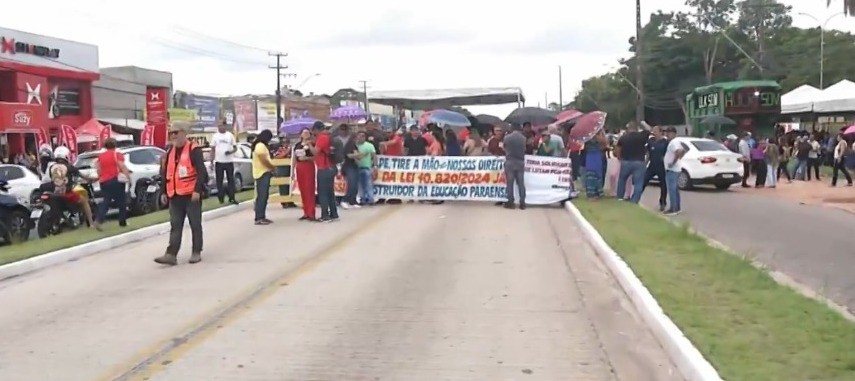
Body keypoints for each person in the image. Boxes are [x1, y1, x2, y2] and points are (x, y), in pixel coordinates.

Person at [154, 122, 208, 265]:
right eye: (171, 133)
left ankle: (196, 251)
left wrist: (197, 190)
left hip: (191, 195)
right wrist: (163, 192)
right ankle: (171, 254)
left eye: (176, 133)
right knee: (175, 225)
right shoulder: (169, 152)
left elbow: (202, 172)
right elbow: (165, 173)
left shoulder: (193, 149)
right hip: (175, 195)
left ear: (184, 133)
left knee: (195, 224)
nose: (173, 136)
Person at [46, 146, 99, 230]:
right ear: (66, 156)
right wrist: (93, 179)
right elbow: (83, 176)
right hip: (67, 194)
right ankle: (91, 223)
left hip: (55, 193)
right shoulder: (70, 167)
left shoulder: (51, 168)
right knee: (85, 201)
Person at [95, 138, 132, 227]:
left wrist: (101, 176)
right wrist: (128, 178)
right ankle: (122, 221)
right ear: (115, 145)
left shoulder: (101, 157)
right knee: (121, 201)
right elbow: (122, 166)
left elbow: (98, 170)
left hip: (104, 181)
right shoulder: (117, 155)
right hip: (115, 180)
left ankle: (99, 219)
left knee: (106, 200)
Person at [310, 121, 339, 222]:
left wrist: (309, 144)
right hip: (331, 167)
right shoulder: (328, 136)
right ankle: (334, 214)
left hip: (324, 168)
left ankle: (325, 215)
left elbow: (315, 151)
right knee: (330, 192)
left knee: (323, 193)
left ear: (316, 129)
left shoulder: (322, 137)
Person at [614, 122, 649, 203]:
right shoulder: (641, 136)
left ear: (628, 128)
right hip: (639, 162)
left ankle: (620, 197)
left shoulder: (624, 137)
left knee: (622, 179)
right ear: (636, 128)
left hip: (626, 161)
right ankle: (634, 200)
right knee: (638, 183)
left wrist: (620, 158)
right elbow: (649, 129)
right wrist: (643, 123)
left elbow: (618, 149)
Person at [210, 120, 239, 205]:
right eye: (218, 126)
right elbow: (212, 149)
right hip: (219, 161)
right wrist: (211, 161)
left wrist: (230, 152)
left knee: (231, 180)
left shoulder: (230, 135)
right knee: (219, 180)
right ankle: (221, 198)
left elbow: (235, 148)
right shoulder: (215, 136)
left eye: (221, 126)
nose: (219, 127)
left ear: (225, 126)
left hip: (229, 161)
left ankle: (232, 197)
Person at [251, 129, 275, 225]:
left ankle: (262, 216)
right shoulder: (260, 146)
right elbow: (263, 160)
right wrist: (272, 167)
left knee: (264, 196)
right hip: (262, 172)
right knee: (262, 196)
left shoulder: (261, 145)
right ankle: (259, 217)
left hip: (264, 172)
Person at [293, 128, 317, 220]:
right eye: (304, 132)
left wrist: (307, 158)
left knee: (309, 189)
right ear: (301, 134)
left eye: (308, 132)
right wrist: (293, 170)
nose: (306, 134)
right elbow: (294, 158)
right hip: (299, 167)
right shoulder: (297, 145)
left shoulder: (312, 144)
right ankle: (306, 212)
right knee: (302, 189)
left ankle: (311, 212)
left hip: (308, 166)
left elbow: (315, 157)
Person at [643, 126, 668, 211]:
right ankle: (636, 197)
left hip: (661, 166)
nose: (654, 133)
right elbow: (648, 153)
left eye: (656, 131)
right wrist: (645, 163)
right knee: (643, 181)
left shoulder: (665, 142)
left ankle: (663, 203)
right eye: (653, 131)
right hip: (652, 165)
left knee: (663, 185)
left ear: (661, 132)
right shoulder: (651, 141)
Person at [662, 127, 685, 216]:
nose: (667, 134)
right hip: (675, 169)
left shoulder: (673, 142)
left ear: (674, 133)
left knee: (671, 189)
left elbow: (679, 151)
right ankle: (677, 207)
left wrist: (673, 162)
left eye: (669, 133)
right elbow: (682, 150)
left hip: (672, 169)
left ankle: (673, 209)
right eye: (667, 132)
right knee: (675, 189)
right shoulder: (676, 142)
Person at [503, 124, 527, 209]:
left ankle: (510, 202)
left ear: (512, 129)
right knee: (521, 183)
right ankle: (522, 203)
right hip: (520, 162)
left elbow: (504, 147)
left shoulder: (507, 137)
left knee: (510, 183)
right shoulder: (523, 138)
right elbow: (524, 149)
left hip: (510, 161)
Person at [354, 131, 377, 206]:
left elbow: (374, 156)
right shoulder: (355, 146)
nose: (361, 137)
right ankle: (362, 199)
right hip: (358, 167)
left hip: (367, 167)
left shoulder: (369, 145)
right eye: (359, 136)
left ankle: (370, 199)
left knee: (368, 184)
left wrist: (375, 166)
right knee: (360, 185)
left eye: (363, 136)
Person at [583, 131, 608, 199]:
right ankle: (591, 194)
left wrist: (602, 133)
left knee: (598, 174)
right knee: (591, 174)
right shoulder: (588, 135)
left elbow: (605, 144)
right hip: (591, 155)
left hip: (597, 154)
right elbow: (603, 142)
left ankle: (598, 192)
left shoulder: (597, 133)